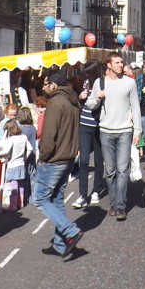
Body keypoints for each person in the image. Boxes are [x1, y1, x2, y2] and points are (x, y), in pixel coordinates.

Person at [86, 52, 141, 221]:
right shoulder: (99, 82)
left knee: (122, 169)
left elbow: (136, 106)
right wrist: (97, 96)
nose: (121, 65)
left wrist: (137, 130)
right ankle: (113, 202)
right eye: (117, 62)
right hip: (106, 131)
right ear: (108, 65)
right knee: (109, 171)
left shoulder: (129, 82)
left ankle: (120, 206)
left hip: (125, 130)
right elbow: (90, 104)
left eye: (121, 62)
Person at [33, 70, 82, 257]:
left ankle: (70, 231)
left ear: (53, 85)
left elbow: (48, 135)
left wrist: (43, 157)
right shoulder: (73, 100)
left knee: (40, 199)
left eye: (45, 84)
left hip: (53, 160)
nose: (43, 87)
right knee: (57, 199)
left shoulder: (55, 102)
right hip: (69, 157)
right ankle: (61, 245)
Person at [72, 59, 105, 209]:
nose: (85, 75)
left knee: (98, 161)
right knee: (84, 161)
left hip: (98, 126)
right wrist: (80, 99)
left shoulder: (104, 83)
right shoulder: (86, 83)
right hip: (84, 125)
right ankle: (82, 195)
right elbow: (83, 104)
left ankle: (96, 191)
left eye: (87, 72)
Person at [0, 119, 33, 209]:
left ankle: (13, 205)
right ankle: (20, 203)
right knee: (20, 184)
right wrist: (24, 158)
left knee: (13, 185)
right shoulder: (23, 137)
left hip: (12, 164)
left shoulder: (11, 139)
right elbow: (30, 149)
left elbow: (6, 150)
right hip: (21, 164)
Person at [17, 107, 37, 204]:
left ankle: (26, 197)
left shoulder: (23, 130)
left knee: (25, 177)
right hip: (33, 154)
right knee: (33, 176)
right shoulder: (33, 128)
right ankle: (33, 197)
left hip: (26, 155)